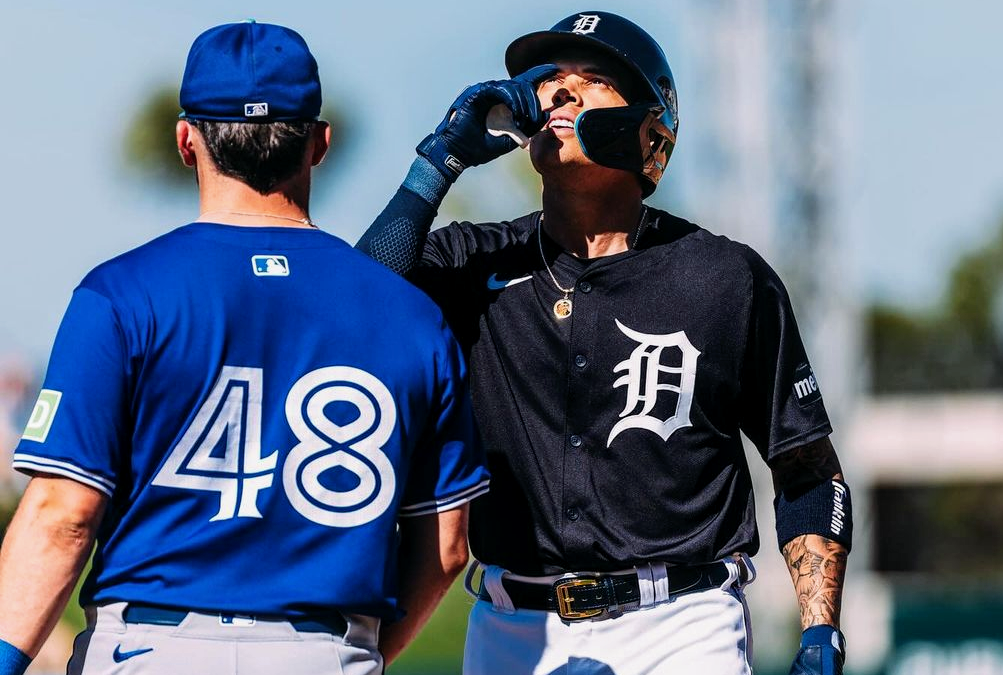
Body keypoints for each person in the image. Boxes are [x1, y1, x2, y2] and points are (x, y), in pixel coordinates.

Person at [357, 10, 852, 675]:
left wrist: (820, 630)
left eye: (593, 79)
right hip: (514, 627)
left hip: (681, 624)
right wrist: (438, 161)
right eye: (549, 78)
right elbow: (356, 306)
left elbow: (807, 469)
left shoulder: (724, 278)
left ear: (650, 129)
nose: (560, 90)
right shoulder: (472, 261)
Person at [0, 20, 487, 675]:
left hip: (152, 648)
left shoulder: (121, 294)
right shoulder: (411, 316)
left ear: (186, 140)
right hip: (324, 651)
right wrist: (353, 652)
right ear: (319, 143)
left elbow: (64, 516)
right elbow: (447, 548)